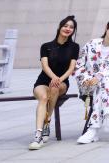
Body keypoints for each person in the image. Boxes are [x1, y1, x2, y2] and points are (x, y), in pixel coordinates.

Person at [29, 15, 79, 150]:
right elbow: (45, 66)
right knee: (43, 97)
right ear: (59, 27)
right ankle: (38, 135)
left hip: (62, 82)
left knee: (55, 88)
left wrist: (59, 80)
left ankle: (47, 122)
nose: (68, 29)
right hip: (43, 81)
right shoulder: (46, 46)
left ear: (73, 31)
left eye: (71, 27)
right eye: (65, 26)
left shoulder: (74, 47)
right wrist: (53, 78)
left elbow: (71, 68)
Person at [75, 18, 109, 144]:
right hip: (88, 85)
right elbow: (79, 64)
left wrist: (98, 77)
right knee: (103, 85)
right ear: (107, 27)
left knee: (103, 82)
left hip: (105, 83)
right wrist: (87, 79)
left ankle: (93, 130)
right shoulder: (92, 43)